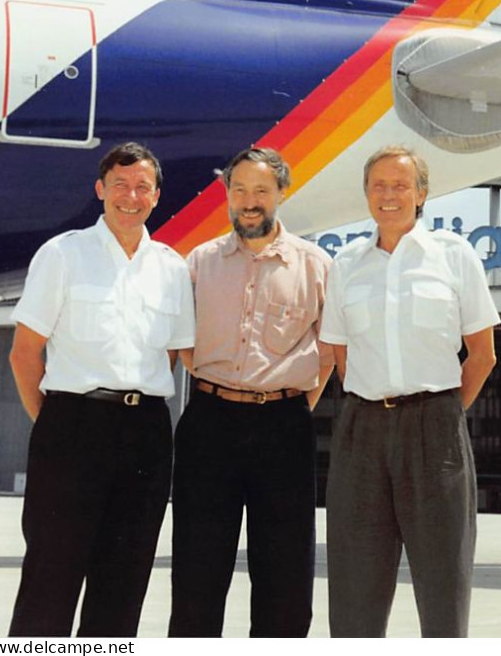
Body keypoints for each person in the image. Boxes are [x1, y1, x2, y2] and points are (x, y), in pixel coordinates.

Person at [8, 142, 196, 638]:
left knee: (125, 578)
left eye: (141, 187)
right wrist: (54, 424)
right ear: (100, 190)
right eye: (119, 185)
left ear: (156, 195)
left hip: (146, 432)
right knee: (52, 573)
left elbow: (174, 353)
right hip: (72, 426)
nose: (130, 196)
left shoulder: (172, 268)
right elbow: (25, 353)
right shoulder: (63, 254)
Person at [320, 144, 500, 638]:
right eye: (378, 185)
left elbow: (482, 355)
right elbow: (339, 354)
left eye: (400, 185)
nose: (389, 194)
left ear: (421, 193)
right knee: (355, 587)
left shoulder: (453, 255)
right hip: (362, 431)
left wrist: (439, 414)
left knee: (443, 582)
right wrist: (378, 402)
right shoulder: (346, 264)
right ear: (366, 194)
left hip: (435, 426)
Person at [168, 146, 334, 638]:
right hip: (209, 422)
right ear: (227, 196)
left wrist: (290, 405)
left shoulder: (316, 265)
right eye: (239, 190)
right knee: (198, 571)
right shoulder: (200, 262)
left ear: (282, 192)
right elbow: (183, 344)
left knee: (284, 575)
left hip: (283, 427)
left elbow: (327, 352)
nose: (249, 200)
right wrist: (220, 389)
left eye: (261, 190)